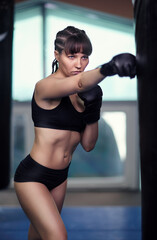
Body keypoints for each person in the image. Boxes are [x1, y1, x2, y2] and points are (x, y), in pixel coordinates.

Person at [14, 26, 136, 240]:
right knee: (57, 236)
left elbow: (88, 145)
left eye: (84, 56)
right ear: (57, 55)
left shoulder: (82, 96)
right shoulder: (45, 87)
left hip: (60, 177)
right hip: (33, 177)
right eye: (71, 56)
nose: (79, 64)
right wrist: (109, 68)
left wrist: (93, 109)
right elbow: (79, 82)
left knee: (39, 237)